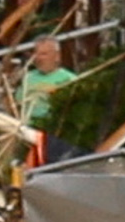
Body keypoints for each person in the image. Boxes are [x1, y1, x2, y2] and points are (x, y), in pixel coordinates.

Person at [17, 35, 79, 165]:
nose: (38, 58)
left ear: (57, 56)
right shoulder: (28, 77)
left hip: (51, 134)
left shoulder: (69, 79)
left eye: (44, 54)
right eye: (36, 54)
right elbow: (16, 103)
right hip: (25, 132)